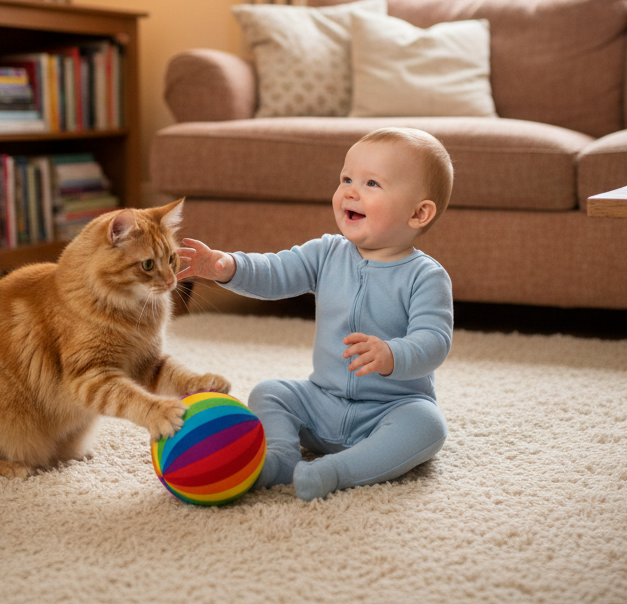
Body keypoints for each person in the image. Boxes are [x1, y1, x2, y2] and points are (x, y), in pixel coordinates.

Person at [178, 127, 455, 501]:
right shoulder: (326, 253)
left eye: (372, 183)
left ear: (419, 213)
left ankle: (336, 471)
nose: (350, 191)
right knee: (270, 392)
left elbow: (435, 340)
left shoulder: (426, 276)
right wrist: (226, 266)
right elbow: (275, 271)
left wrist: (392, 355)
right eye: (346, 179)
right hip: (322, 401)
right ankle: (279, 458)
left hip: (391, 407)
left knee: (428, 426)